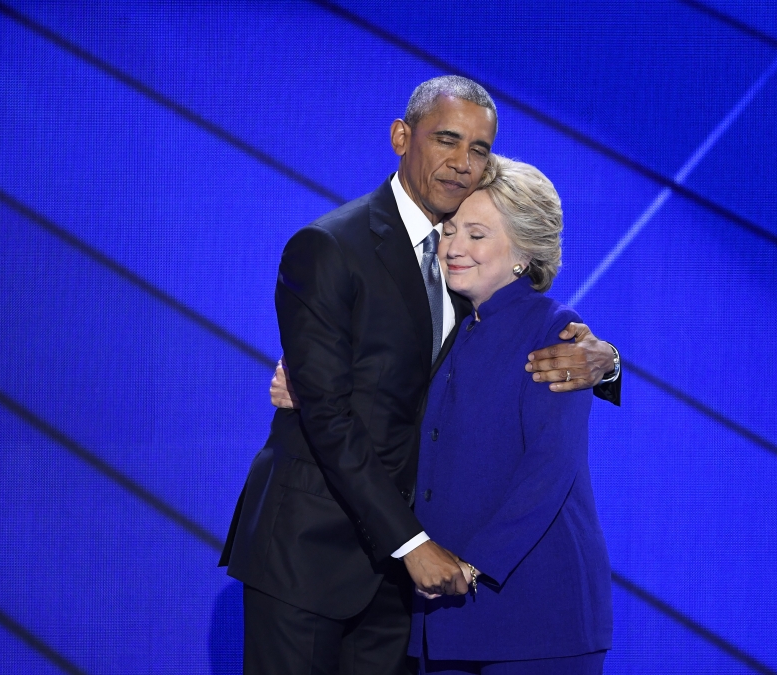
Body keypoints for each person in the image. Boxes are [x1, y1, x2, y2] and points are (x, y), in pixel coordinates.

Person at [220, 75, 621, 675]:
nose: (462, 163)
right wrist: (413, 543)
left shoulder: (472, 271)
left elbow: (531, 336)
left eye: (479, 149)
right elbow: (329, 408)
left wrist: (608, 362)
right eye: (447, 140)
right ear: (401, 137)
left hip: (411, 586)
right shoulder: (330, 245)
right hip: (313, 553)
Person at [409, 155, 611, 674]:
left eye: (476, 235)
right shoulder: (445, 323)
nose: (453, 248)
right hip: (442, 610)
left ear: (524, 252)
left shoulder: (557, 330)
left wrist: (472, 565)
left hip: (537, 612)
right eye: (449, 230)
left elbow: (550, 467)